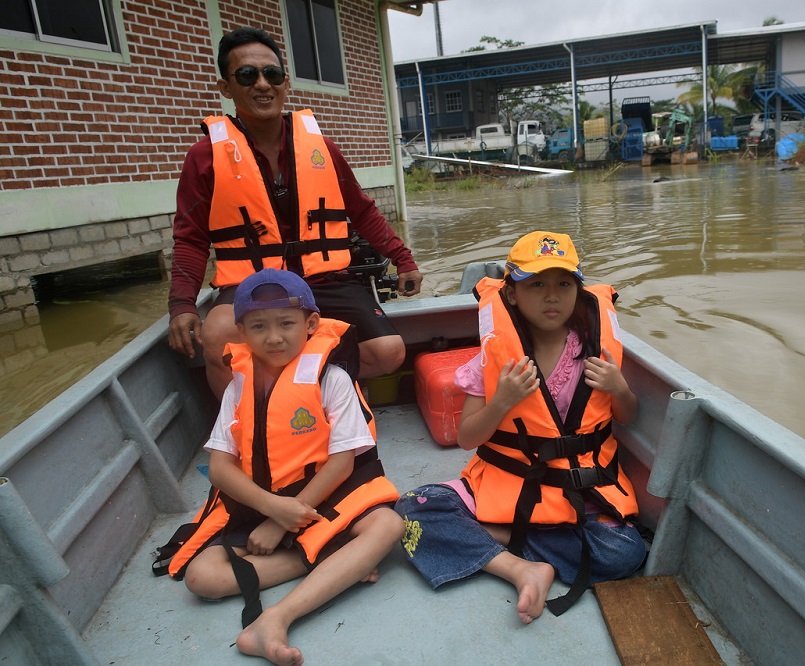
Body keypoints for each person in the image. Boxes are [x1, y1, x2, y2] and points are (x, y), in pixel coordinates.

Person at [153, 269, 404, 666]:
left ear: (311, 324)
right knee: (202, 578)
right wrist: (273, 509)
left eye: (287, 324)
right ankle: (330, 557)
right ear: (241, 333)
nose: (274, 337)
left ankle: (278, 617)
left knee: (389, 526)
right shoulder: (239, 386)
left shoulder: (331, 378)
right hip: (265, 501)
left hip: (323, 492)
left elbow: (342, 462)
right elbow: (220, 468)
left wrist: (286, 519)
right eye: (258, 326)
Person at [394, 231, 646, 624]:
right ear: (511, 294)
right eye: (536, 285)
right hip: (508, 483)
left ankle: (504, 542)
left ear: (579, 292)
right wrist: (502, 401)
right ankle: (522, 568)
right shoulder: (492, 360)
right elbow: (468, 438)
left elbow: (627, 415)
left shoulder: (595, 353)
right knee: (412, 509)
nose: (551, 296)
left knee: (625, 552)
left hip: (578, 489)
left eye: (564, 284)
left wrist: (620, 388)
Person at [167, 26, 422, 399]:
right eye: (247, 75)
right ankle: (249, 431)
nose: (262, 85)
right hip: (251, 283)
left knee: (388, 353)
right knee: (217, 335)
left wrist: (404, 259)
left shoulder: (322, 148)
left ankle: (298, 390)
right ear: (226, 87)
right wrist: (181, 304)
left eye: (271, 74)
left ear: (285, 83)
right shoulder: (204, 157)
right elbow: (190, 237)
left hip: (327, 278)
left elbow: (362, 211)